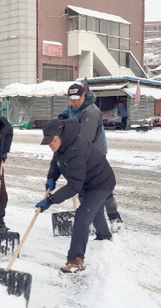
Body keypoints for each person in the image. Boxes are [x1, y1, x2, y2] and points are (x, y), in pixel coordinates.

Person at [36, 119, 116, 273]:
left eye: (52, 141)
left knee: (82, 216)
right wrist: (51, 177)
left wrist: (51, 200)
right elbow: (56, 162)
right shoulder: (63, 145)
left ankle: (76, 259)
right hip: (88, 182)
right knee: (94, 210)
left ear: (61, 136)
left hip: (101, 183)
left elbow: (74, 186)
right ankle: (104, 238)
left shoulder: (75, 149)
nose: (51, 146)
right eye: (48, 143)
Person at [59, 82, 123, 235]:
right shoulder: (73, 107)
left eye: (77, 99)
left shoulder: (91, 112)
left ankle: (114, 217)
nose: (74, 103)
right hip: (81, 152)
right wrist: (62, 118)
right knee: (85, 186)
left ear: (84, 96)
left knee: (100, 186)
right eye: (71, 99)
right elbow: (68, 113)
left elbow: (84, 138)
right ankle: (93, 219)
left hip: (95, 153)